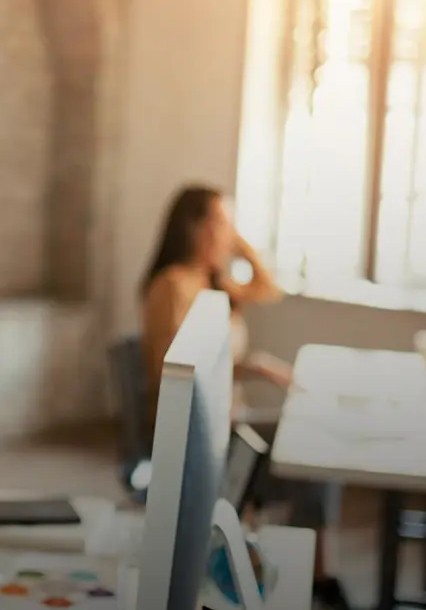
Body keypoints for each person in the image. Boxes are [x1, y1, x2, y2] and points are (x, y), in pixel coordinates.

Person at [137, 184, 356, 610]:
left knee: (318, 440)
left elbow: (269, 287)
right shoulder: (173, 286)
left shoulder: (213, 281)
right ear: (192, 228)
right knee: (314, 450)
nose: (228, 232)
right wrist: (248, 368)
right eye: (220, 222)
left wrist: (235, 242)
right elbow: (176, 376)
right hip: (203, 435)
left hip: (230, 421)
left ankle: (316, 571)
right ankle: (317, 576)